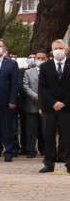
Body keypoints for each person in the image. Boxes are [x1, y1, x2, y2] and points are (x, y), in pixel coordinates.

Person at [38, 39, 70, 173]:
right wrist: (53, 102)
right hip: (49, 107)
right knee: (49, 135)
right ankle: (49, 163)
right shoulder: (46, 66)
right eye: (56, 48)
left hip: (67, 107)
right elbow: (42, 87)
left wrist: (63, 102)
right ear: (52, 50)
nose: (58, 51)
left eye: (61, 48)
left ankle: (68, 162)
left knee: (67, 135)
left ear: (66, 49)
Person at [22, 52, 45, 159]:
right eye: (38, 58)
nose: (40, 60)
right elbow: (25, 86)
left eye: (42, 58)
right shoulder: (28, 72)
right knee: (31, 129)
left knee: (45, 129)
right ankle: (31, 150)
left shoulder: (49, 71)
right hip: (32, 104)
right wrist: (36, 96)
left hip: (47, 105)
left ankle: (45, 149)